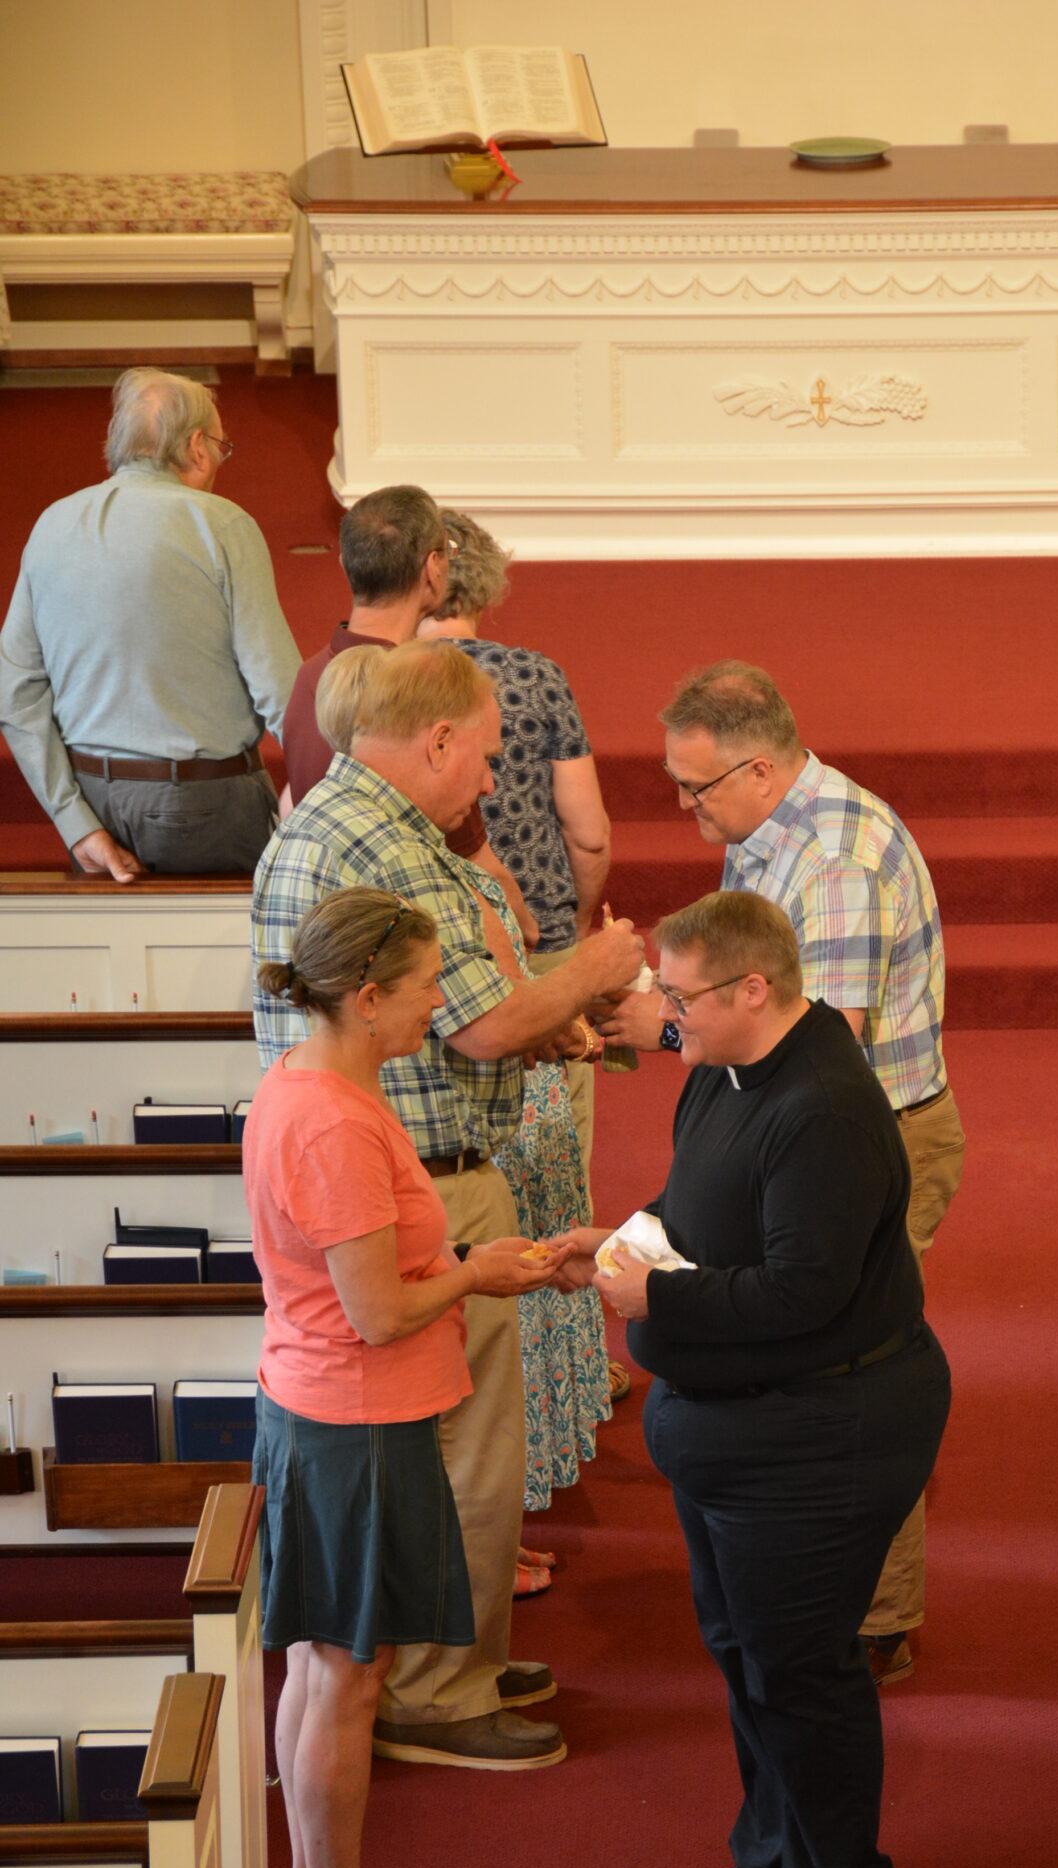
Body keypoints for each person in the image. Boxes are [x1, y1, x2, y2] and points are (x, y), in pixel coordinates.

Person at [252, 641, 645, 1769]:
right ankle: (438, 1684)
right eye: (480, 755)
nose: (486, 780)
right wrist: (594, 966)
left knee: (457, 1448)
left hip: (392, 1170)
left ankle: (446, 1654)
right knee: (469, 1451)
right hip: (419, 1179)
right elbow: (478, 1023)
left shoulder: (338, 816)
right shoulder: (381, 839)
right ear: (431, 740)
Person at [563, 891, 951, 1868]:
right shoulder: (724, 1073)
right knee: (746, 1655)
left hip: (822, 1428)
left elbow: (803, 1294)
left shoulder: (821, 1105)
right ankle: (777, 1856)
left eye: (679, 998)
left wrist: (654, 1303)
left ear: (753, 988)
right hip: (741, 1430)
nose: (664, 1019)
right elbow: (701, 1208)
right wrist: (623, 1241)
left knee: (801, 1667)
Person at [595, 661, 962, 1689]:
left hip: (865, 1142)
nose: (681, 805)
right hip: (800, 1142)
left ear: (759, 768)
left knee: (848, 1360)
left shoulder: (835, 860)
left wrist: (667, 1029)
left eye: (695, 787)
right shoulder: (768, 835)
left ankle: (869, 1618)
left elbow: (816, 1045)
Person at [247, 886, 571, 1868]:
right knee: (346, 1675)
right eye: (430, 983)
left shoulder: (315, 1082)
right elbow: (378, 1312)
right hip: (356, 1420)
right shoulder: (332, 1118)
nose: (443, 1003)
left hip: (324, 1404)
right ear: (369, 991)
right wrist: (477, 1273)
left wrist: (480, 1265)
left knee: (316, 1668)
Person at [417, 508, 623, 1425]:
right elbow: (588, 829)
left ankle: (500, 1402)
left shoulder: (390, 686)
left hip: (429, 980)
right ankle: (563, 1397)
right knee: (548, 1179)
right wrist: (572, 933)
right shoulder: (534, 677)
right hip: (536, 959)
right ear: (486, 582)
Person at [0, 366, 298, 881]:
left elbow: (15, 690)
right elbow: (278, 688)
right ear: (198, 445)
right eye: (222, 448)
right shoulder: (220, 523)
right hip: (208, 805)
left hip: (93, 801)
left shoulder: (51, 525)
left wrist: (77, 824)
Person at [280, 484, 448, 807]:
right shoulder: (426, 684)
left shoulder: (307, 678)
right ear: (433, 568)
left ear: (344, 565)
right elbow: (464, 846)